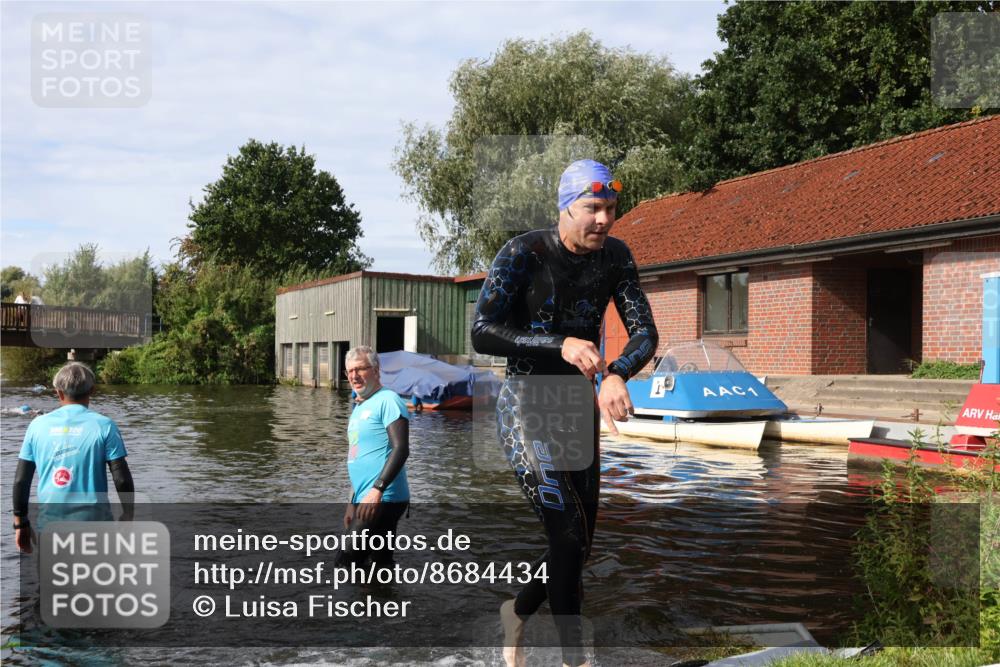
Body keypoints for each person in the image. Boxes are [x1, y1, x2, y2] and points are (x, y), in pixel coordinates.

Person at [471, 159, 658, 667]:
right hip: (526, 406)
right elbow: (482, 330)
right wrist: (562, 344)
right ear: (565, 207)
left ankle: (517, 610)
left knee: (578, 546)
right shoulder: (523, 253)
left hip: (577, 410)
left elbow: (645, 330)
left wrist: (617, 371)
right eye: (592, 209)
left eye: (611, 210)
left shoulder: (616, 257)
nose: (604, 221)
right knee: (569, 533)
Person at [12, 362, 135, 554]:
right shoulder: (105, 426)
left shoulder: (37, 426)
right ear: (91, 391)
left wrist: (20, 524)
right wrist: (128, 515)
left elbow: (21, 480)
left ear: (58, 392)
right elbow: (121, 478)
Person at [336, 345, 411, 569]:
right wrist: (352, 502)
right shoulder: (359, 407)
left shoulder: (388, 400)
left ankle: (355, 603)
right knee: (379, 564)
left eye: (360, 369)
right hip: (368, 498)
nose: (353, 376)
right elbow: (357, 456)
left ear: (376, 370)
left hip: (383, 498)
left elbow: (401, 449)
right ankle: (384, 601)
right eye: (349, 371)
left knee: (345, 563)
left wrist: (377, 490)